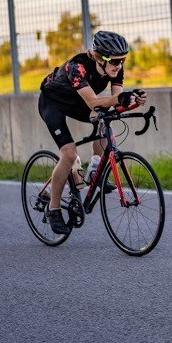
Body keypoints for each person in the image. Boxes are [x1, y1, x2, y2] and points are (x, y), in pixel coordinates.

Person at [38, 30, 147, 235]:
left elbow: (116, 104)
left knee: (105, 120)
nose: (119, 65)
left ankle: (95, 169)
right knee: (69, 154)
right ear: (101, 58)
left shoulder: (116, 69)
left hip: (77, 102)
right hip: (53, 103)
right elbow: (93, 102)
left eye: (122, 60)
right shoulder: (77, 67)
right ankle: (53, 209)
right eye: (115, 61)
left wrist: (133, 102)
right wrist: (120, 99)